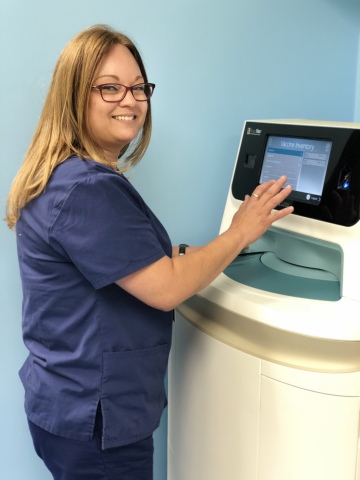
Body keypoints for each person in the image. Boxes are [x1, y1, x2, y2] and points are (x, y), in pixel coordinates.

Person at [5, 24, 293, 480]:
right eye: (111, 88)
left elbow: (124, 260)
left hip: (61, 403)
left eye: (139, 87)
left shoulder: (66, 175)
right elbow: (166, 289)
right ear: (74, 95)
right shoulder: (88, 190)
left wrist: (187, 253)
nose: (131, 100)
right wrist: (240, 231)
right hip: (96, 420)